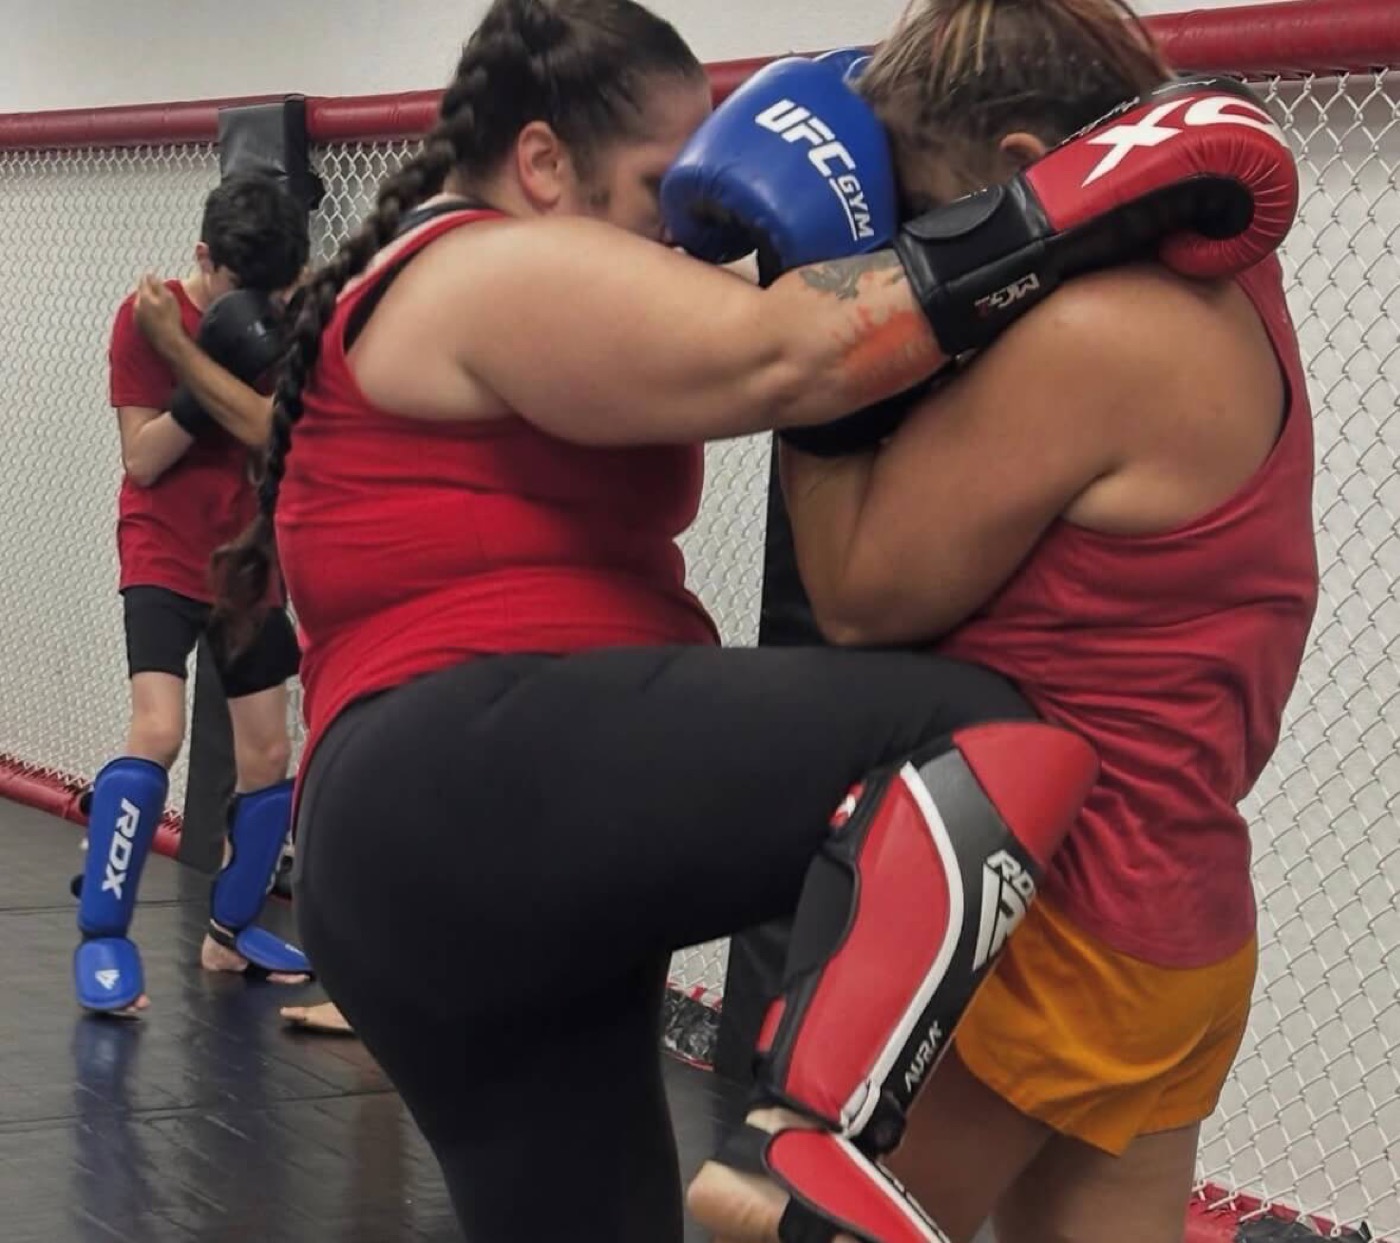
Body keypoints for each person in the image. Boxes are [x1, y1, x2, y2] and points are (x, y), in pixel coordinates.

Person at [205, 1, 1295, 1239]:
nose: (690, 233)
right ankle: (806, 1144)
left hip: (489, 854)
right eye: (666, 189)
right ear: (543, 162)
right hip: (460, 782)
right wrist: (1074, 202)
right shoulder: (482, 261)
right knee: (970, 725)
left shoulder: (1111, 332)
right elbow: (798, 362)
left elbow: (838, 470)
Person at [692, 3, 1319, 1242]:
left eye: (922, 208)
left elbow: (862, 598)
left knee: (807, 1220)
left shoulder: (1095, 332)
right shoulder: (1227, 279)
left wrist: (814, 328)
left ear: (1030, 174)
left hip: (1052, 918)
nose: (913, 251)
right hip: (1173, 915)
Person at [75, 173, 315, 1019]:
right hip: (164, 550)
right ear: (202, 257)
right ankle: (104, 934)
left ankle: (230, 930)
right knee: (160, 729)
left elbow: (278, 435)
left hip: (246, 560)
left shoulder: (289, 323)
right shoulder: (146, 319)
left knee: (268, 755)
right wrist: (202, 372)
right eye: (234, 288)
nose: (253, 306)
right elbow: (141, 458)